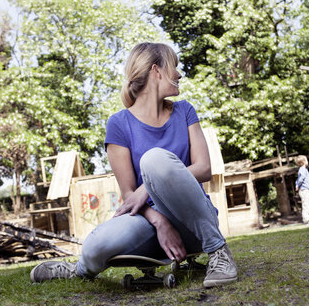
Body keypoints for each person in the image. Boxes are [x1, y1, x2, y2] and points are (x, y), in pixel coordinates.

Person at [29, 42, 237, 288]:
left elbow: (203, 168)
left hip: (194, 222)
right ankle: (79, 269)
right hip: (149, 224)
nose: (179, 74)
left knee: (154, 159)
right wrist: (160, 222)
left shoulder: (185, 111)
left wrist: (147, 187)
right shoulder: (119, 123)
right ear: (156, 71)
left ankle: (219, 252)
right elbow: (128, 195)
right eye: (175, 67)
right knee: (98, 243)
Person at [295, 155, 309, 224]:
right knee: (306, 204)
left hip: (306, 189)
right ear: (303, 162)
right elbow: (300, 179)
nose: (307, 161)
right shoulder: (302, 169)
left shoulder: (304, 169)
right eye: (306, 160)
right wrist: (298, 185)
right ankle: (306, 219)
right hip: (304, 190)